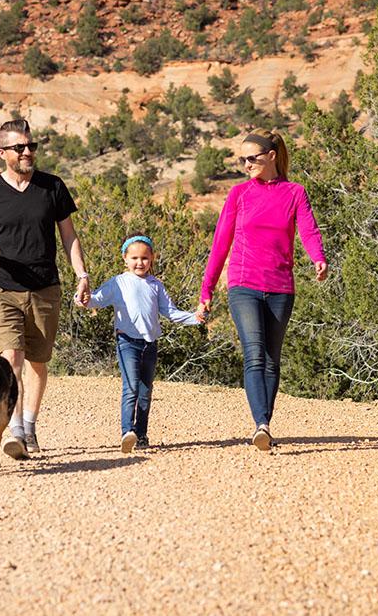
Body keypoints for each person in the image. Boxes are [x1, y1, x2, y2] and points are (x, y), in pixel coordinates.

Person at [196, 128, 328, 452]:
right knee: (254, 353)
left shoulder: (295, 192)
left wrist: (318, 258)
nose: (246, 165)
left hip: (281, 286)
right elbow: (220, 242)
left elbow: (308, 229)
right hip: (243, 283)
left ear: (271, 156)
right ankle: (261, 424)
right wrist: (207, 288)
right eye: (242, 159)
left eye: (251, 158)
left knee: (272, 359)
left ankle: (264, 427)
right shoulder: (239, 194)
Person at [0, 118, 90, 459]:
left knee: (37, 361)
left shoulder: (52, 187)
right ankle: (16, 429)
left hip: (45, 288)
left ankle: (30, 425)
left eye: (31, 146)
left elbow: (69, 235)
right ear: (1, 152)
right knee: (12, 358)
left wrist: (81, 274)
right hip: (2, 288)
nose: (27, 152)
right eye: (19, 147)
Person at [80, 234, 202, 453]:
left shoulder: (156, 285)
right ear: (125, 259)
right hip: (127, 342)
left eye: (144, 258)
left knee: (145, 391)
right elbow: (96, 299)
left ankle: (141, 433)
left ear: (152, 258)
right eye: (134, 258)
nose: (140, 262)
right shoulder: (118, 282)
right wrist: (82, 298)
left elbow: (170, 312)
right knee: (131, 387)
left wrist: (195, 317)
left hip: (150, 344)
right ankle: (127, 432)